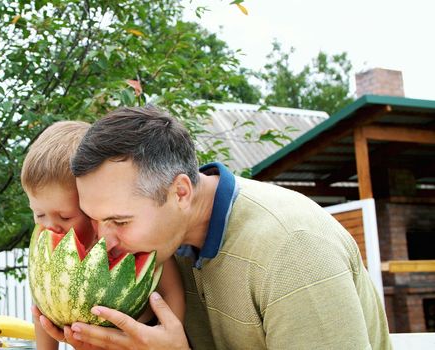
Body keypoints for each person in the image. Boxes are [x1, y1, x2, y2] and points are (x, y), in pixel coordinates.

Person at [36, 106, 392, 349]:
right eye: (96, 220)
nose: (104, 241)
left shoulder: (293, 249)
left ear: (180, 192)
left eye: (120, 221)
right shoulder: (156, 249)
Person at [21, 120, 185, 350]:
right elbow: (41, 302)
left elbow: (172, 289)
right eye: (39, 214)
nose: (51, 227)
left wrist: (169, 337)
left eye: (65, 217)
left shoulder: (130, 244)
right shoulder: (47, 244)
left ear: (93, 208)